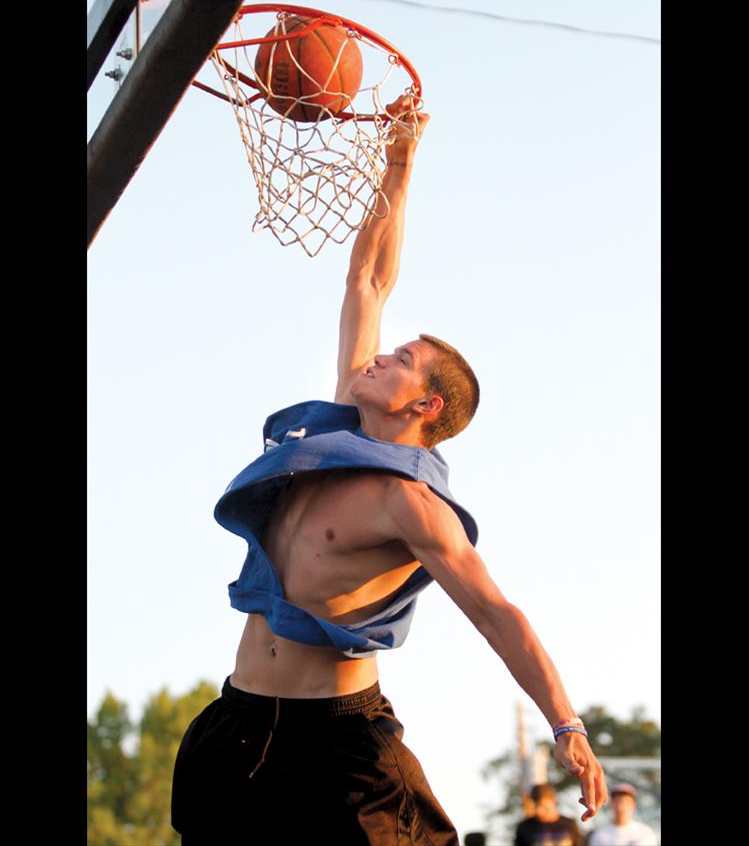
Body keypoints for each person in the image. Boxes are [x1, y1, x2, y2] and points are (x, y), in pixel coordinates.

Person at [170, 95, 608, 844]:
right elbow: (367, 282)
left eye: (400, 360)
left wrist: (563, 719)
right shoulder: (336, 426)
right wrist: (399, 162)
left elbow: (496, 613)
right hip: (239, 723)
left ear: (424, 404)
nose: (378, 357)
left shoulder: (410, 505)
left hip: (341, 745)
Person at [514, 783, 584, 846]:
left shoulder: (569, 824)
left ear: (553, 801)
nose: (539, 811)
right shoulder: (524, 827)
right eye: (536, 806)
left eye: (543, 806)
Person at [587, 784, 657, 845]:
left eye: (625, 802)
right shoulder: (599, 834)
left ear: (633, 805)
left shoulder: (645, 833)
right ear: (610, 805)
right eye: (617, 802)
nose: (620, 807)